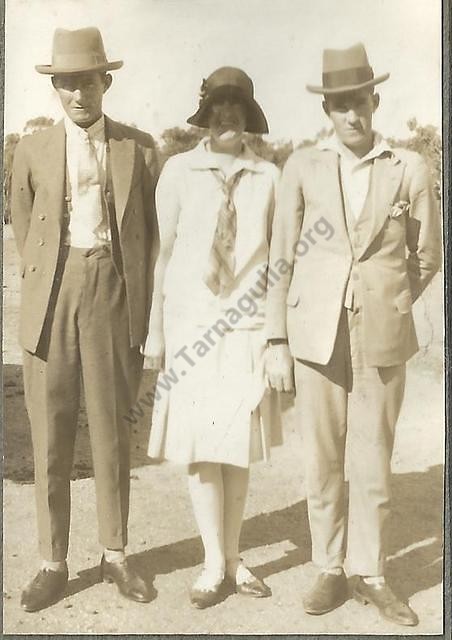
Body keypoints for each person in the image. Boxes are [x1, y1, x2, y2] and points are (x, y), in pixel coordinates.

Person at [265, 43, 441, 626]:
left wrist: (389, 302)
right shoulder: (302, 166)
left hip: (381, 335)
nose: (352, 115)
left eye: (359, 102)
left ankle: (371, 571)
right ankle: (329, 567)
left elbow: (426, 256)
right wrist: (277, 339)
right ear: (328, 110)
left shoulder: (408, 166)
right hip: (315, 332)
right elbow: (281, 258)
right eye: (340, 105)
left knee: (373, 457)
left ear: (375, 99)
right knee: (323, 456)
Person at [11, 27, 159, 611]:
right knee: (50, 433)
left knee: (112, 430)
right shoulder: (33, 148)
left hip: (113, 292)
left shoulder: (139, 148)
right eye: (67, 84)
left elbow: (148, 234)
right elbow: (24, 222)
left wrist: (133, 301)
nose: (78, 94)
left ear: (107, 82)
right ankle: (52, 561)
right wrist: (51, 271)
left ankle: (116, 555)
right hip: (52, 292)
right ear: (56, 88)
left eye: (87, 82)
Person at [144, 67, 282, 608]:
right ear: (205, 115)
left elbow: (278, 261)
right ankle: (211, 564)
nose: (227, 115)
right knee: (202, 451)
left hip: (246, 330)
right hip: (192, 330)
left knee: (237, 452)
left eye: (237, 106)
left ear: (249, 116)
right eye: (218, 106)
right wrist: (156, 332)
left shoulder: (268, 177)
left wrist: (275, 338)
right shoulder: (178, 171)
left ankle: (235, 558)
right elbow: (163, 254)